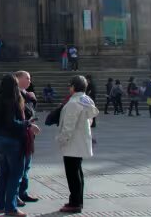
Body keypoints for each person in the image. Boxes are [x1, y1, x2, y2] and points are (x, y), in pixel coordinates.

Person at [0, 74, 41, 216]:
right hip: (12, 141)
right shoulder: (13, 100)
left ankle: (0, 206)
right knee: (15, 175)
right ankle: (11, 208)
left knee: (3, 173)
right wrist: (28, 124)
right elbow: (12, 123)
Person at [56, 75, 99, 213]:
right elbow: (90, 120)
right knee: (77, 173)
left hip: (72, 144)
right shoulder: (86, 99)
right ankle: (77, 201)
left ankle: (74, 203)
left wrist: (62, 139)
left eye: (70, 85)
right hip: (80, 141)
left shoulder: (74, 102)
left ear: (73, 87)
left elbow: (69, 125)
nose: (69, 88)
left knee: (73, 174)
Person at [15, 70, 40, 205]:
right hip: (21, 134)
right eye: (27, 78)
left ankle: (22, 193)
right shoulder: (15, 95)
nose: (30, 81)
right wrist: (29, 126)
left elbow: (30, 111)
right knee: (20, 167)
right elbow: (19, 116)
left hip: (28, 134)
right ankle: (16, 194)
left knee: (26, 166)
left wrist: (32, 99)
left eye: (30, 79)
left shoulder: (26, 94)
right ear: (18, 79)